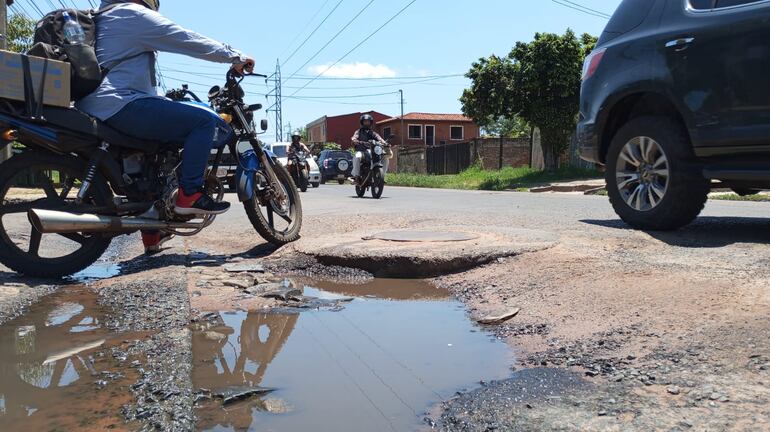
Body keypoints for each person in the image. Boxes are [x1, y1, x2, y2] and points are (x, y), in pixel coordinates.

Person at [76, 0, 255, 254]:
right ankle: (189, 195)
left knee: (155, 159)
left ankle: (152, 234)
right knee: (203, 122)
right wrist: (234, 56)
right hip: (118, 103)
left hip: (101, 104)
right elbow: (184, 38)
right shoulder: (132, 14)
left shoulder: (102, 18)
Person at [350, 114, 390, 183]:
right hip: (361, 151)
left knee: (385, 158)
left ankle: (382, 176)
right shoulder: (358, 132)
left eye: (368, 122)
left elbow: (380, 139)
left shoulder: (373, 133)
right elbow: (354, 137)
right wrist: (354, 140)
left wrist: (385, 143)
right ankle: (356, 176)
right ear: (362, 122)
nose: (366, 123)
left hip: (373, 151)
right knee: (357, 156)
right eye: (365, 122)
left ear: (370, 122)